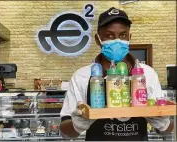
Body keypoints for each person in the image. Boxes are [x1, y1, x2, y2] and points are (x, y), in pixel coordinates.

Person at [60, 7, 174, 141]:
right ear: (98, 39)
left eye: (123, 35)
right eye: (109, 35)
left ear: (129, 37)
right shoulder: (81, 76)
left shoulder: (147, 74)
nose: (117, 40)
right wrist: (77, 124)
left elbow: (166, 132)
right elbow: (65, 133)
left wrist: (162, 123)